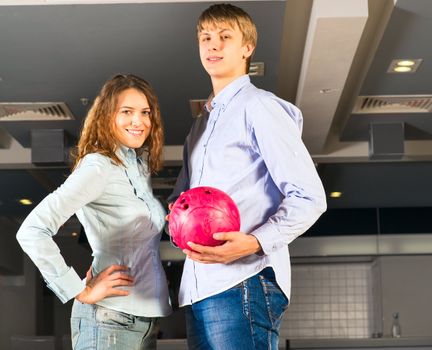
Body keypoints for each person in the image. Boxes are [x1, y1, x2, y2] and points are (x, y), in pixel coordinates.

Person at [167, 4, 327, 349]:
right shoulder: (200, 126)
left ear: (247, 47)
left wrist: (254, 243)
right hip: (198, 288)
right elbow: (180, 202)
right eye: (206, 38)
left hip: (245, 279)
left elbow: (310, 197)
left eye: (225, 37)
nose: (213, 45)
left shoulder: (260, 107)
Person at [17, 74, 171, 350]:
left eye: (145, 113)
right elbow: (32, 230)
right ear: (107, 116)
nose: (139, 121)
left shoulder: (138, 166)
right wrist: (79, 290)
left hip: (145, 321)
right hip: (109, 319)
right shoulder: (99, 167)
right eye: (127, 112)